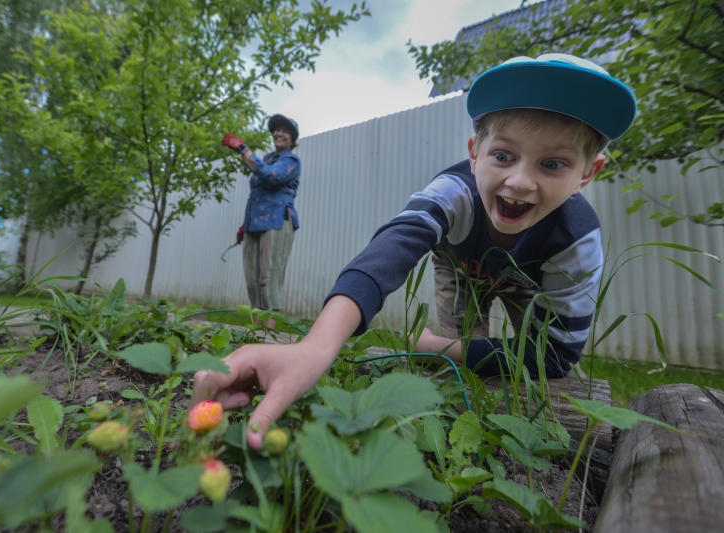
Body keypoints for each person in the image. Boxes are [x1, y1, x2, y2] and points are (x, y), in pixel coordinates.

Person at [196, 54, 637, 450]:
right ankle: (454, 440)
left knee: (539, 372)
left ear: (587, 174)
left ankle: (534, 448)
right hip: (462, 271)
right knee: (458, 371)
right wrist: (316, 347)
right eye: (503, 155)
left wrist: (435, 346)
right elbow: (391, 250)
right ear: (474, 153)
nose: (520, 182)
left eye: (553, 164)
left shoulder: (576, 240)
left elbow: (557, 352)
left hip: (529, 285)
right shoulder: (454, 194)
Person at [222, 114, 301, 328]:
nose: (279, 133)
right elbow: (257, 191)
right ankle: (256, 331)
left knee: (268, 278)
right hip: (254, 225)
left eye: (285, 130)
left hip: (276, 222)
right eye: (276, 129)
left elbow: (271, 177)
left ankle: (270, 335)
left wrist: (243, 149)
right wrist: (244, 225)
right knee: (252, 280)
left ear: (293, 139)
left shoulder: (291, 161)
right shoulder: (266, 159)